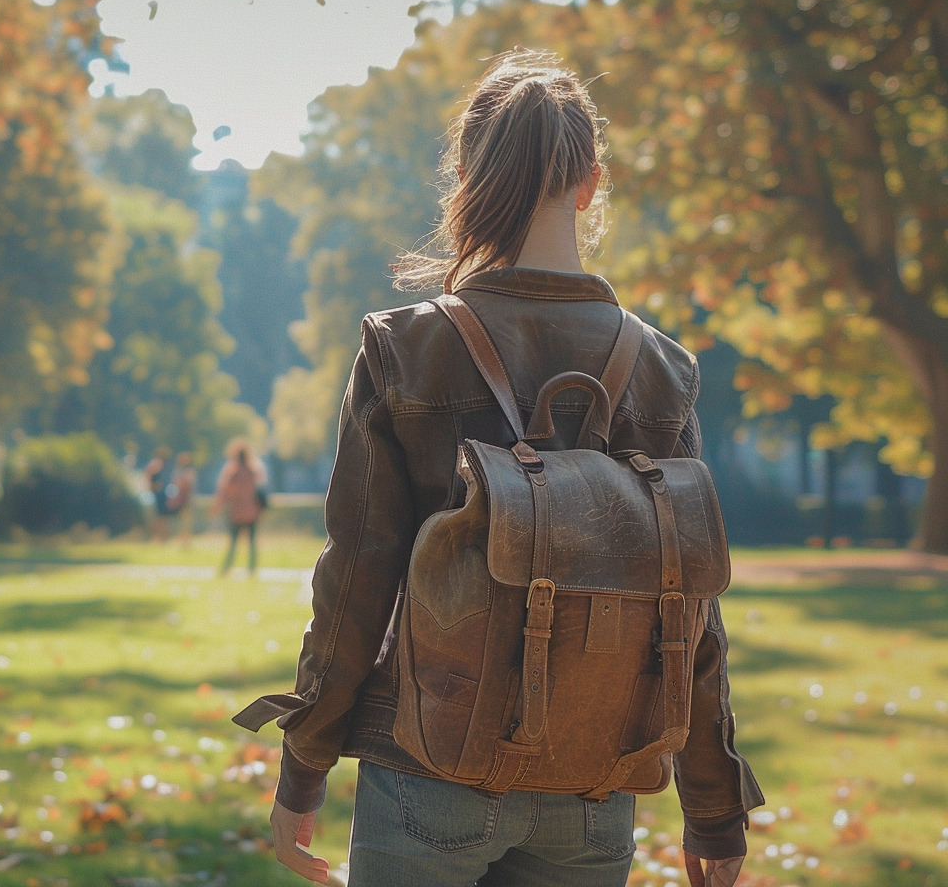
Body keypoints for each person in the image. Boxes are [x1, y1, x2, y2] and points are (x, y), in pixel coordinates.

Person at [235, 49, 763, 887]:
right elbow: (691, 610)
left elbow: (357, 580)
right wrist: (715, 807)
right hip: (596, 777)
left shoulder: (406, 347)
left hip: (428, 767)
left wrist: (304, 764)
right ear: (590, 183)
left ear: (467, 178)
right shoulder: (664, 371)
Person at [212, 438, 267, 576]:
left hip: (236, 512)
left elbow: (224, 491)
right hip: (252, 512)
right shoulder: (253, 470)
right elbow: (260, 490)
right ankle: (252, 569)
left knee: (233, 542)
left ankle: (226, 568)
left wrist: (217, 507)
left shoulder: (232, 472)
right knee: (252, 542)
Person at [166, 451, 198, 545]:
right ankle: (179, 539)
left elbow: (188, 485)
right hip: (178, 500)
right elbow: (175, 485)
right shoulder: (178, 471)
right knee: (178, 521)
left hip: (187, 500)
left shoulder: (190, 471)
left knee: (187, 521)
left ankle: (186, 540)